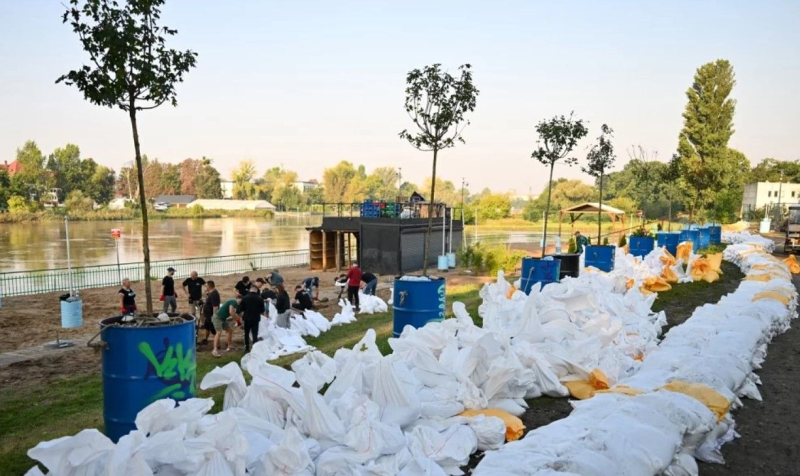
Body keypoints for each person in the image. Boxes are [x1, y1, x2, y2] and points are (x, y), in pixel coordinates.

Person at [212, 293, 242, 357]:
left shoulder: (235, 304)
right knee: (219, 332)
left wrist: (238, 318)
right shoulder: (234, 302)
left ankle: (230, 346)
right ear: (238, 299)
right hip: (217, 317)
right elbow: (231, 312)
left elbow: (234, 313)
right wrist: (237, 320)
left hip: (223, 318)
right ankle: (215, 350)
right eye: (240, 300)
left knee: (230, 330)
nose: (240, 302)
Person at [239, 286, 265, 352]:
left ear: (250, 290)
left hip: (247, 318)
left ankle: (246, 348)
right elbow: (262, 310)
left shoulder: (244, 298)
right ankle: (254, 348)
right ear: (256, 291)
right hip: (256, 318)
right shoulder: (260, 298)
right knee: (255, 333)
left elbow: (241, 309)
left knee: (246, 333)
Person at [200, 280, 220, 346]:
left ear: (209, 286)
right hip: (208, 315)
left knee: (214, 330)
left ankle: (217, 344)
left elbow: (215, 307)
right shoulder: (211, 293)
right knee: (207, 327)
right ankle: (205, 339)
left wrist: (214, 316)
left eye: (206, 286)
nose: (205, 287)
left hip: (211, 315)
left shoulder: (214, 294)